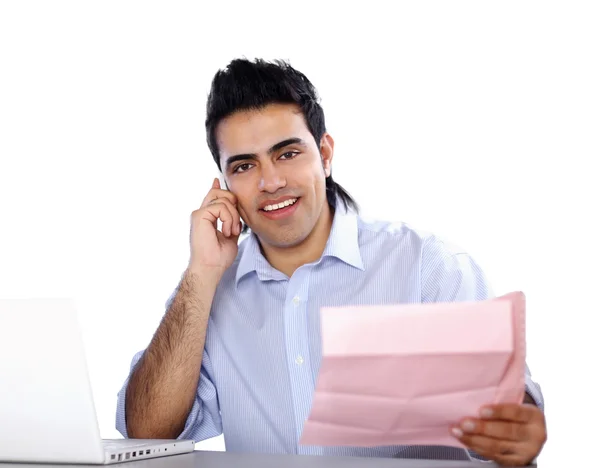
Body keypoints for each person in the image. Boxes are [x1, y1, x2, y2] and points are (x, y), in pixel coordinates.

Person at [115, 58, 547, 465]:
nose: (271, 181)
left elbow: (506, 409)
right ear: (224, 183)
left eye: (287, 153)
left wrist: (516, 428)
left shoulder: (427, 265)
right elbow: (148, 434)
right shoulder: (208, 292)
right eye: (245, 166)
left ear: (324, 154)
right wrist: (202, 272)